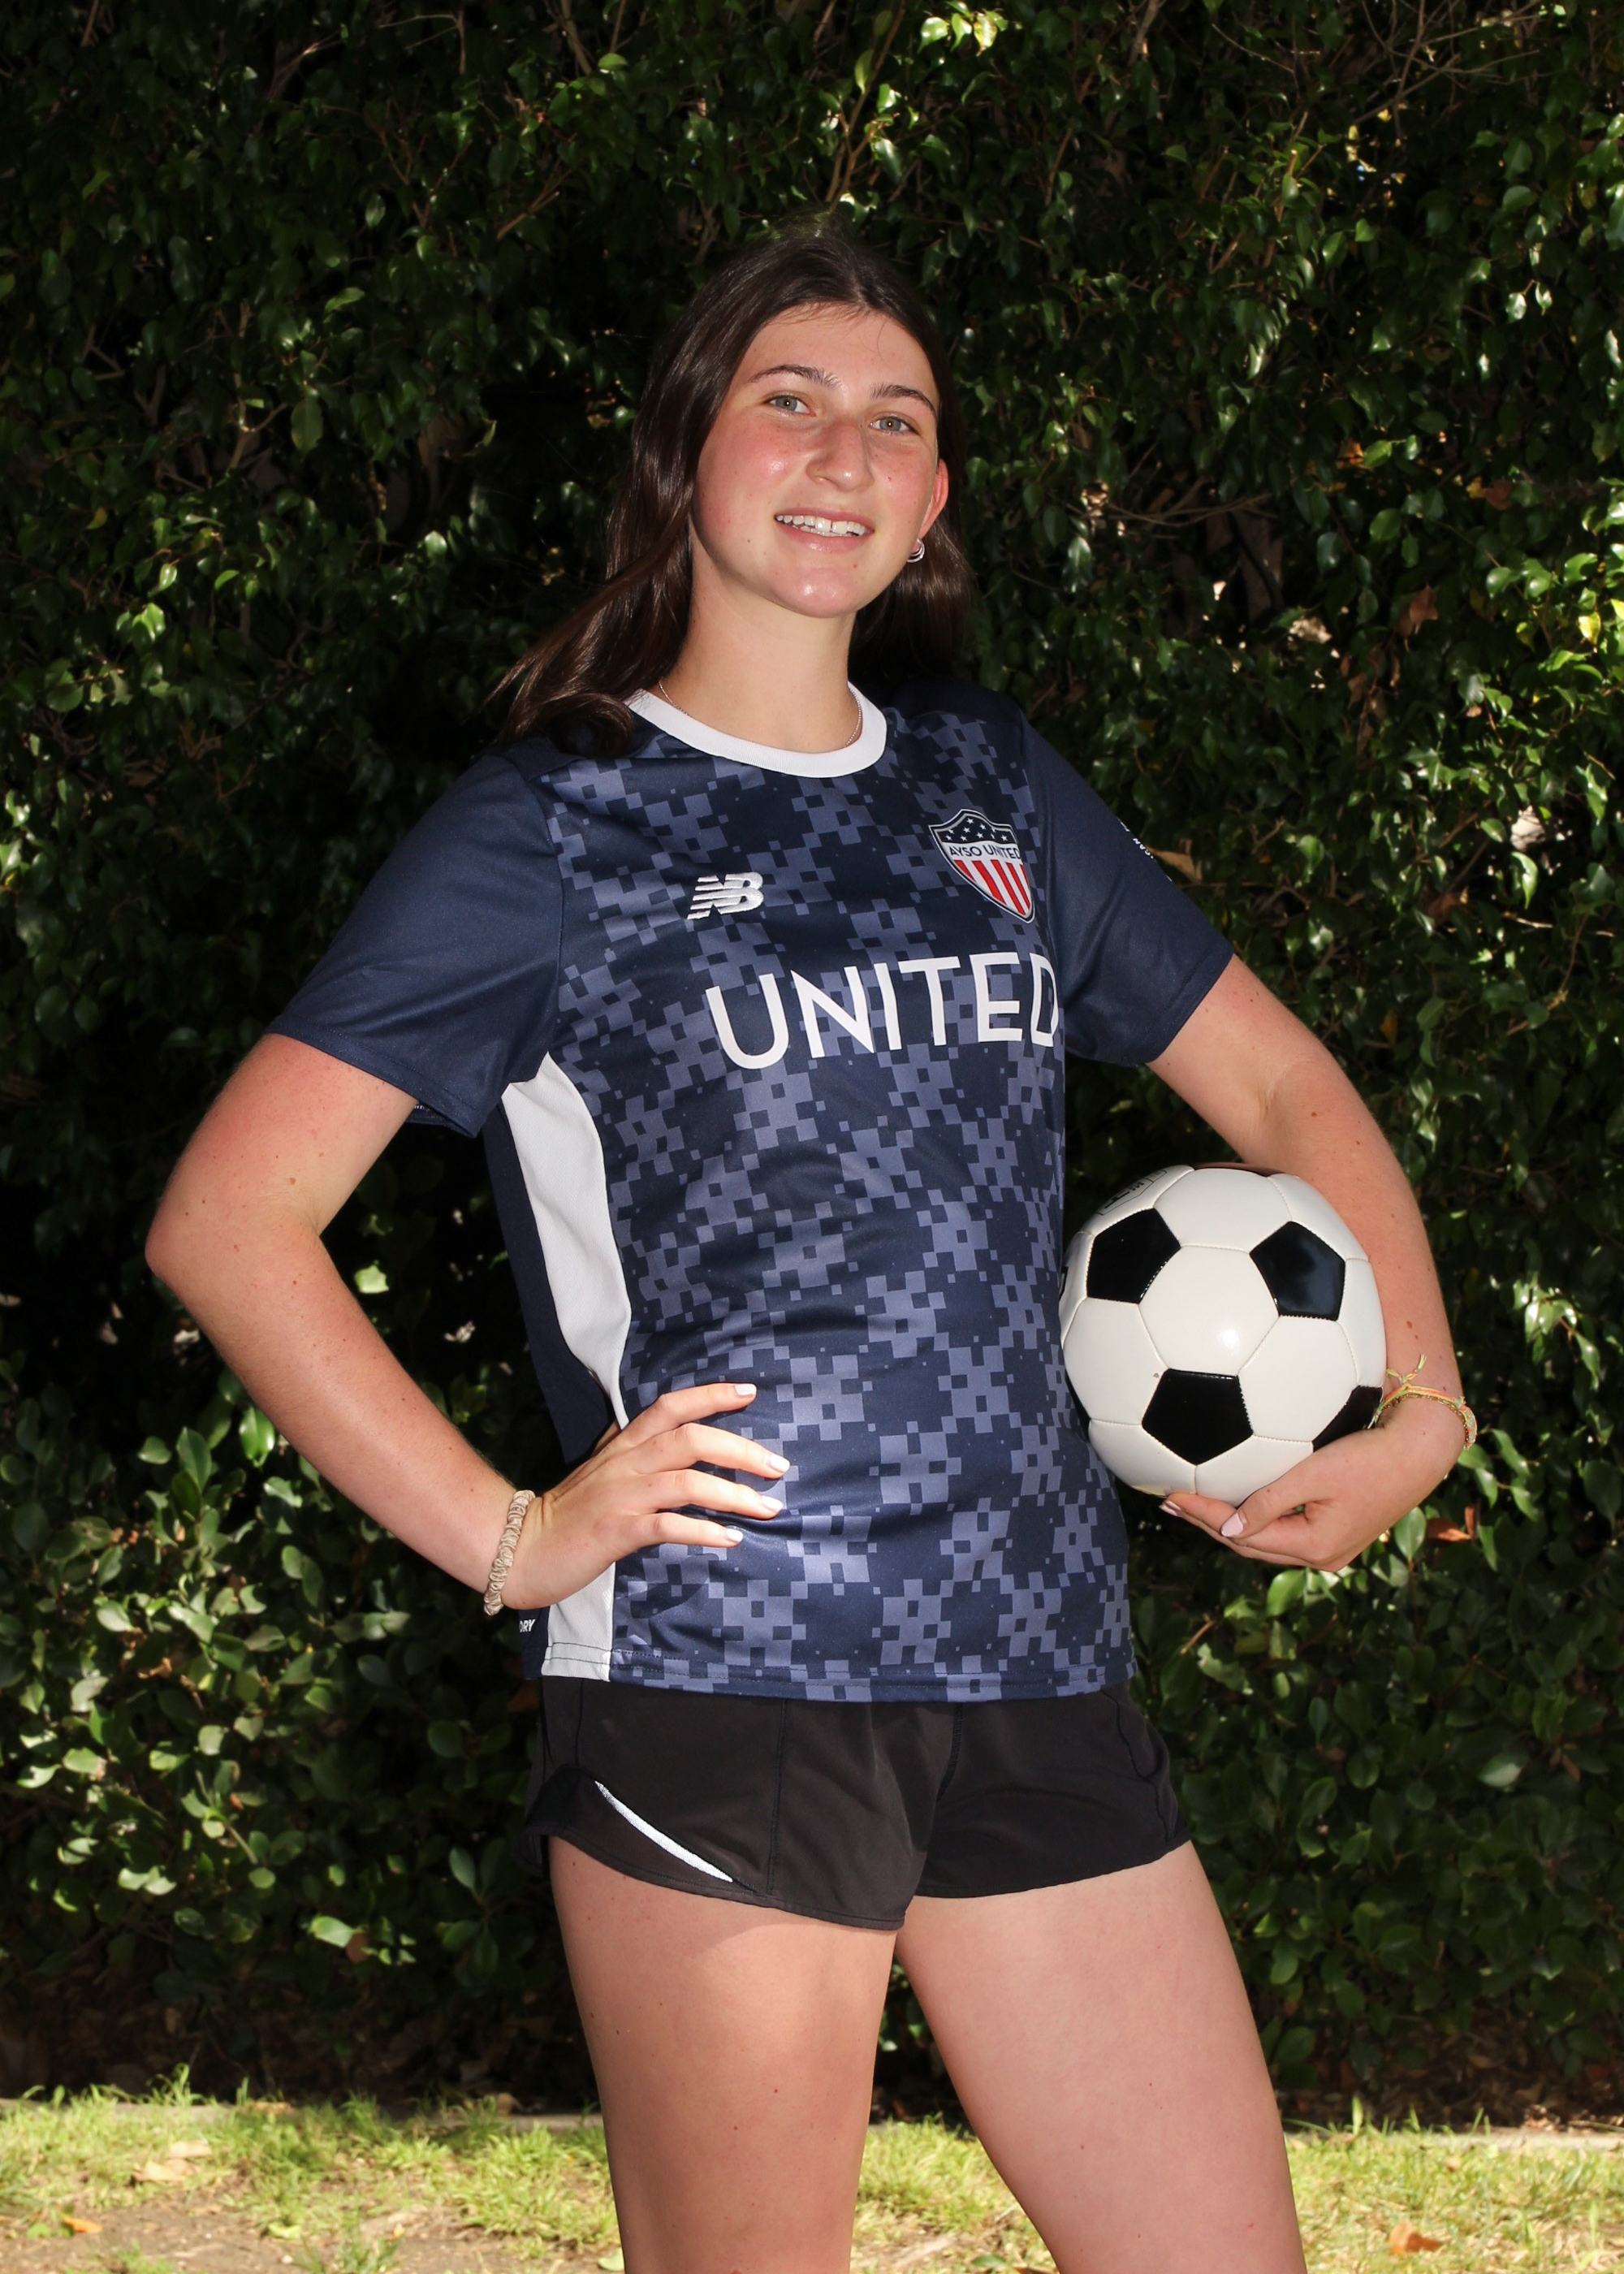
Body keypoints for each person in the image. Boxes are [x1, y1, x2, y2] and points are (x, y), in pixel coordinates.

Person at [146, 222, 1472, 2274]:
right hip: (728, 1669)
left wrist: (1422, 1400)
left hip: (1038, 1652)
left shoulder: (987, 786)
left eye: (895, 418)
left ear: (934, 496)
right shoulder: (554, 824)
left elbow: (1289, 1092)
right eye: (789, 400)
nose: (843, 452)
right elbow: (232, 1218)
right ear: (688, 450)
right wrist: (509, 1532)